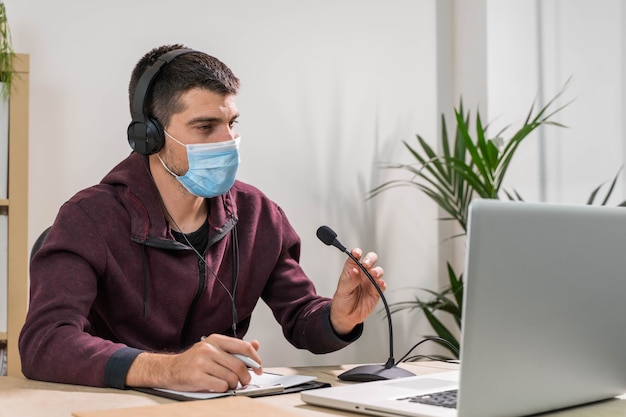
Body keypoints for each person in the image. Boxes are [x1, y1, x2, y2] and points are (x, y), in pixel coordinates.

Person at [18, 44, 386, 393]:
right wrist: (167, 370)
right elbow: (45, 342)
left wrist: (338, 317)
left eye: (231, 123)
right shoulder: (88, 219)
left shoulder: (257, 214)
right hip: (114, 407)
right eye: (205, 127)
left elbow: (301, 318)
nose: (228, 141)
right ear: (149, 136)